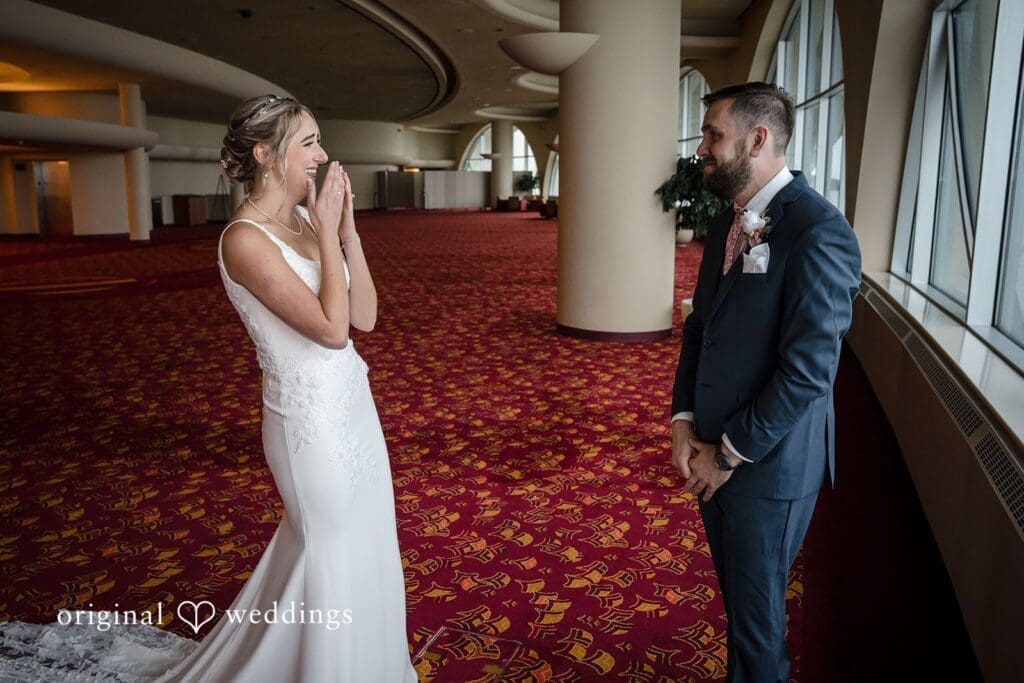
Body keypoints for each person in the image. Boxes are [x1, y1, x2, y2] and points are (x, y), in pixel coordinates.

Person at [0, 95, 418, 682]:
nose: (322, 156)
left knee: (367, 541)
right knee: (330, 551)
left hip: (353, 409)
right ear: (266, 155)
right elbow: (329, 330)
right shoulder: (243, 240)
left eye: (319, 141)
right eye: (309, 143)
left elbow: (365, 320)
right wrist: (326, 233)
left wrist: (346, 232)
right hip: (309, 428)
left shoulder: (304, 222)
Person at [670, 82, 861, 682]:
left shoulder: (818, 232)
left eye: (713, 135)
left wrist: (725, 454)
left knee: (757, 629)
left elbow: (807, 373)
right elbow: (701, 330)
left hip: (767, 465)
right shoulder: (731, 221)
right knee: (742, 611)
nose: (701, 147)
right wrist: (683, 424)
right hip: (711, 449)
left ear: (757, 140)